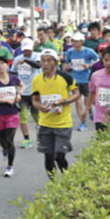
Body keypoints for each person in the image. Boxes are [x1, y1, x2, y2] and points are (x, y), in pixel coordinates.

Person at [31, 49, 80, 180]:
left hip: (63, 124)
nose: (45, 64)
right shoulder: (36, 80)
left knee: (59, 155)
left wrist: (64, 101)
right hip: (45, 123)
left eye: (48, 60)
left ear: (55, 62)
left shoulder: (65, 77)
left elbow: (76, 94)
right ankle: (54, 185)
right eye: (43, 61)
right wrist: (40, 107)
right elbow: (35, 100)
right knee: (48, 157)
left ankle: (67, 180)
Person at [0, 57, 24, 177]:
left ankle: (10, 167)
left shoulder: (14, 78)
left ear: (7, 65)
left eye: (2, 63)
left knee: (10, 141)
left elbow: (22, 85)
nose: (0, 66)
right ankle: (4, 149)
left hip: (12, 114)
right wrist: (6, 100)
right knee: (2, 141)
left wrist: (19, 94)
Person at [64, 32, 99, 131]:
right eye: (74, 41)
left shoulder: (88, 51)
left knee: (87, 100)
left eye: (77, 41)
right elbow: (67, 63)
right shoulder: (70, 52)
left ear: (82, 42)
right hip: (75, 80)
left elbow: (98, 60)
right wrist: (66, 67)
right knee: (78, 102)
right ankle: (83, 122)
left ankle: (91, 110)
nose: (75, 43)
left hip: (86, 79)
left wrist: (89, 65)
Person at [10, 39, 41, 149]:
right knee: (23, 117)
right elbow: (12, 73)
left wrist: (26, 61)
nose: (27, 52)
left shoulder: (37, 56)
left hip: (35, 92)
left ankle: (42, 136)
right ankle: (26, 139)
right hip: (22, 92)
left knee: (37, 116)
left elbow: (38, 65)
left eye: (28, 50)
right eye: (25, 50)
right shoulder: (17, 59)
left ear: (32, 48)